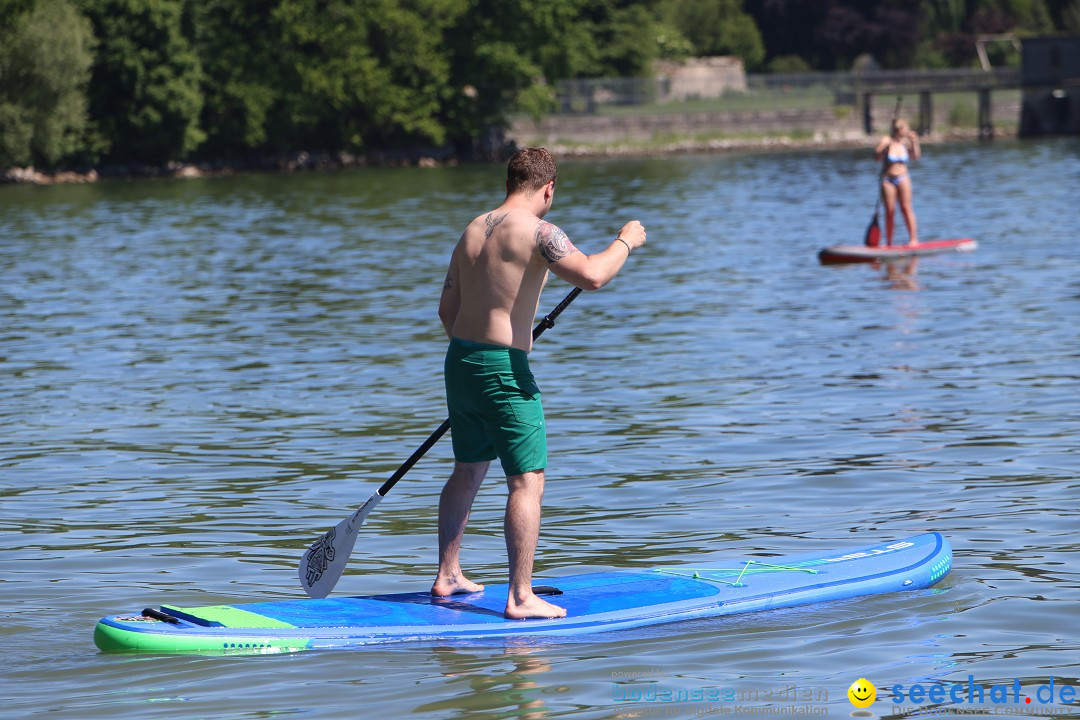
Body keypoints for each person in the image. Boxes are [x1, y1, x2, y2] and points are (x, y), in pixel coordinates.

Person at [434, 147, 646, 619]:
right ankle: (521, 596)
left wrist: (487, 347)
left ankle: (448, 574)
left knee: (468, 469)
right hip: (503, 372)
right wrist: (626, 241)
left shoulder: (472, 229)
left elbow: (447, 310)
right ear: (548, 188)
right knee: (527, 479)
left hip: (460, 362)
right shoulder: (540, 231)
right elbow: (592, 275)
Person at [874, 118, 921, 246]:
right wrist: (884, 146)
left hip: (903, 178)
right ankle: (889, 242)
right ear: (898, 130)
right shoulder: (886, 140)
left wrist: (914, 142)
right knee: (890, 210)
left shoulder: (905, 143)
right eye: (905, 129)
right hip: (888, 179)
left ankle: (913, 239)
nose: (907, 131)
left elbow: (915, 157)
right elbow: (877, 158)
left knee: (906, 208)